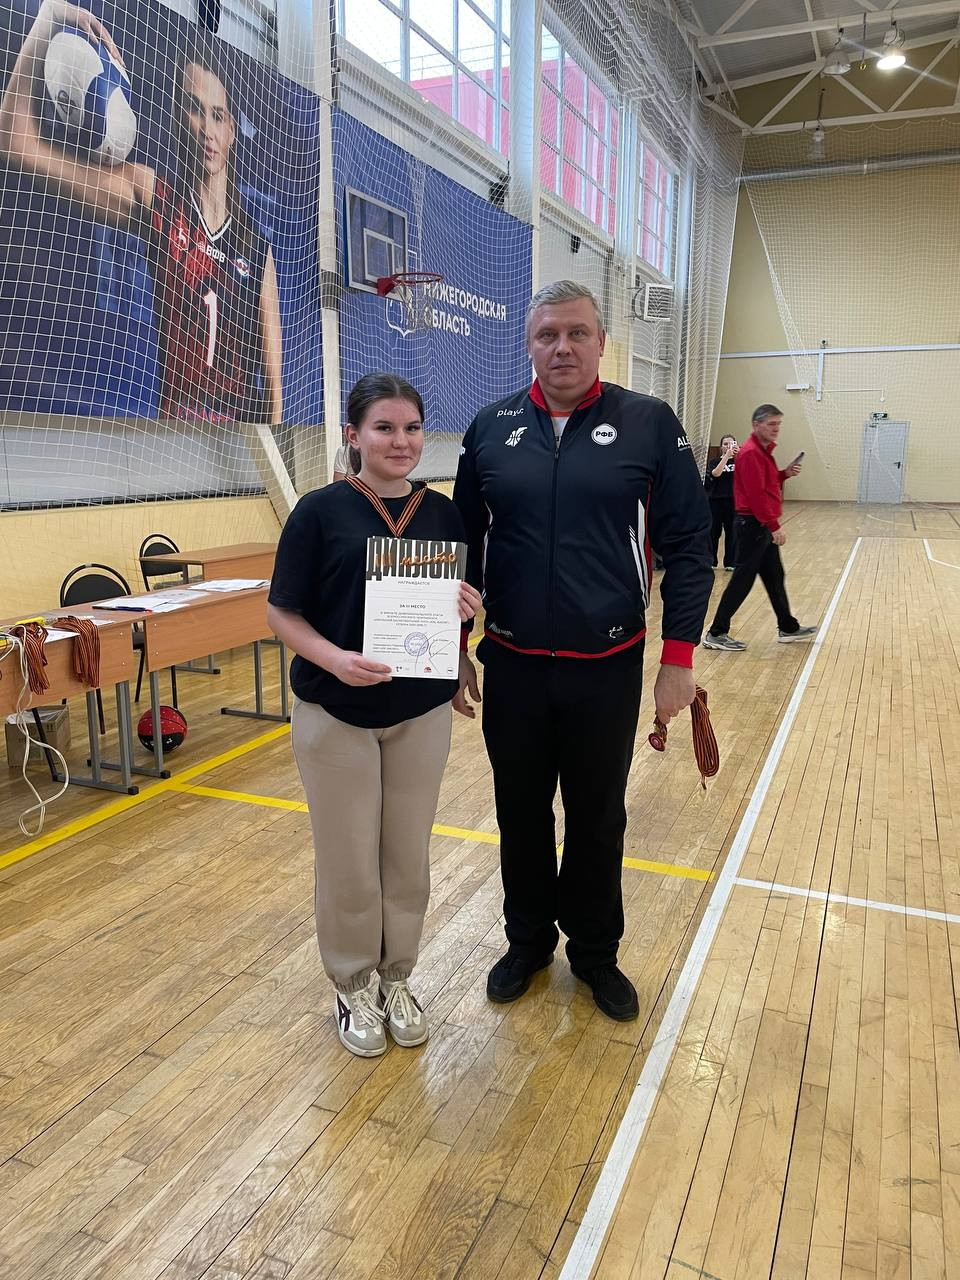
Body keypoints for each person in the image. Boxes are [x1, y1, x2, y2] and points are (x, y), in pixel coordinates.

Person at [453, 280, 713, 1022]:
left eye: (576, 333)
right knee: (520, 813)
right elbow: (463, 548)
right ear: (529, 345)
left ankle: (595, 953)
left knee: (598, 817)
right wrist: (456, 645)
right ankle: (528, 942)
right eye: (547, 335)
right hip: (513, 665)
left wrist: (678, 658)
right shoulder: (490, 427)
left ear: (601, 342)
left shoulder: (649, 423)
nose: (562, 348)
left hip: (607, 668)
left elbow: (691, 545)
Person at [267, 373, 482, 1057]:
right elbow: (282, 612)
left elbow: (449, 606)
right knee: (350, 862)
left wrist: (462, 630)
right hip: (336, 713)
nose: (401, 441)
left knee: (407, 857)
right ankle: (353, 982)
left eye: (411, 428)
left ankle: (397, 977)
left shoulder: (442, 513)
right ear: (353, 436)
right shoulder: (318, 512)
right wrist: (333, 659)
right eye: (384, 428)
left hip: (420, 711)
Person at [0, 1, 282, 425]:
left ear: (231, 130)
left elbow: (275, 397)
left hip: (238, 443)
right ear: (177, 117)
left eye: (218, 115)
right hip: (170, 434)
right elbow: (15, 142)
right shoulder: (153, 195)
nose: (206, 128)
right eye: (194, 109)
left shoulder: (255, 247)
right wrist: (48, 17)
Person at [703, 404, 817, 651]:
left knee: (775, 576)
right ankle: (716, 633)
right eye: (771, 424)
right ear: (757, 425)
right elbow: (756, 495)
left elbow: (766, 481)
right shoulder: (752, 453)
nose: (776, 429)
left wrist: (784, 474)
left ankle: (788, 626)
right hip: (753, 525)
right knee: (742, 580)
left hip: (759, 525)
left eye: (778, 424)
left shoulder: (762, 452)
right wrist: (774, 526)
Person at [705, 434, 738, 570]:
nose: (728, 446)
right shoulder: (714, 461)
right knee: (713, 532)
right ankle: (711, 561)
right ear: (721, 447)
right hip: (715, 501)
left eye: (731, 444)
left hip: (733, 502)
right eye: (725, 444)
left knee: (732, 533)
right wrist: (726, 456)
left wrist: (739, 456)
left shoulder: (739, 461)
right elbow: (716, 473)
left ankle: (730, 562)